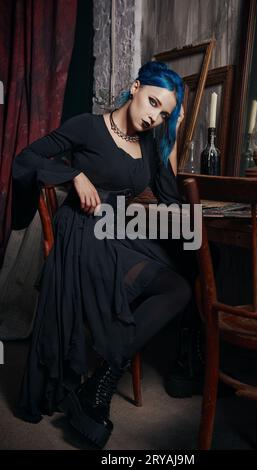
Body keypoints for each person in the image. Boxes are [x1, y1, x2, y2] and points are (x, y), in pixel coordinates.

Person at [12, 61, 192, 449]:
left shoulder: (150, 144)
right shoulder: (88, 126)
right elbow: (26, 159)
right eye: (152, 103)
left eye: (164, 113)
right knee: (177, 270)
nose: (153, 116)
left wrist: (171, 135)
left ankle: (102, 377)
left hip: (119, 230)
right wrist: (71, 176)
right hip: (82, 229)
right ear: (135, 86)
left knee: (179, 286)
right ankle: (98, 388)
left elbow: (170, 197)